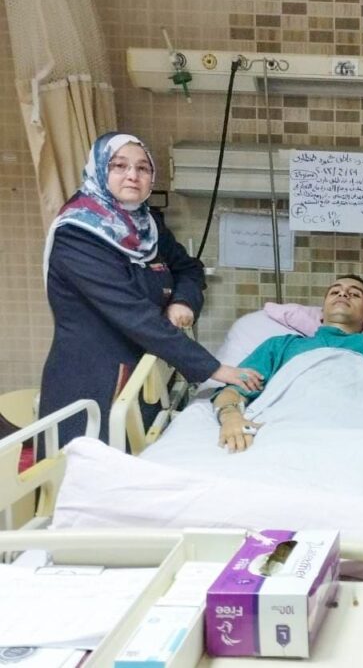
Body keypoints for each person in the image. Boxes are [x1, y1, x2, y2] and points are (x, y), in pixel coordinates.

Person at [39, 132, 259, 446]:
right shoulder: (78, 235)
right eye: (119, 166)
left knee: (141, 456)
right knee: (90, 466)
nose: (133, 175)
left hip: (145, 373)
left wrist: (182, 302)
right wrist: (212, 368)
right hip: (91, 379)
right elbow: (134, 315)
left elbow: (189, 268)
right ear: (99, 170)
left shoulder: (147, 226)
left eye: (143, 168)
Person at [214, 275, 363, 453]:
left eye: (354, 294)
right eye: (335, 292)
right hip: (286, 428)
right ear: (321, 314)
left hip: (358, 431)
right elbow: (234, 390)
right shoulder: (281, 345)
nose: (343, 294)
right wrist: (231, 417)